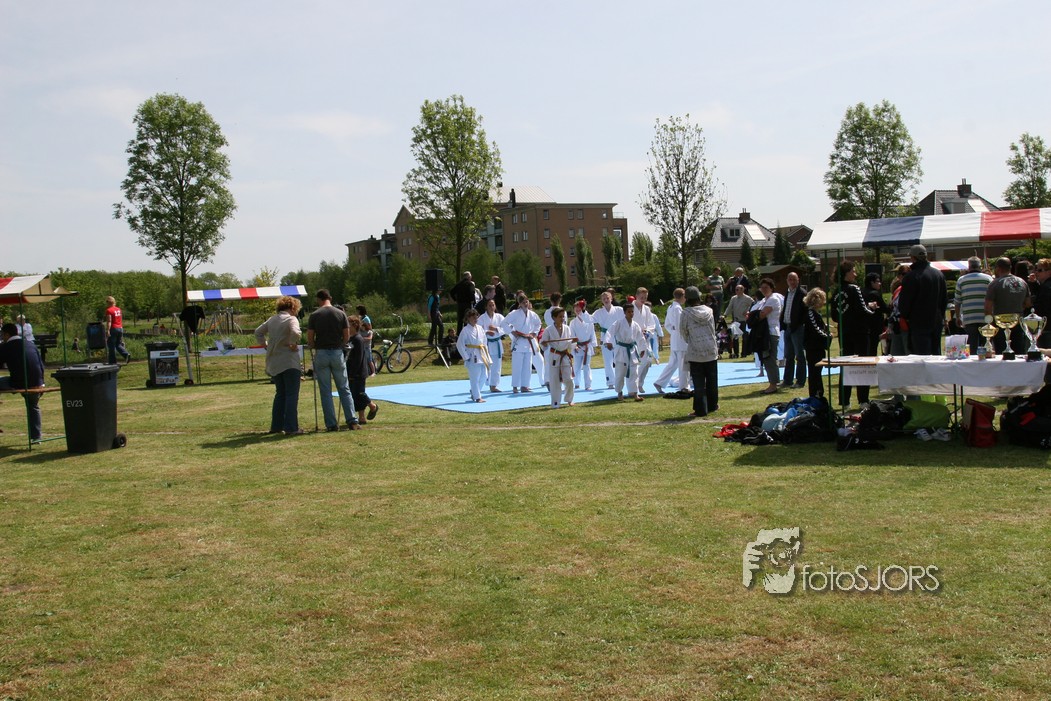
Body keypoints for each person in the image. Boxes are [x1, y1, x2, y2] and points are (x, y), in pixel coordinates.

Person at [306, 289, 360, 432]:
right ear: (330, 298)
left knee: (325, 391)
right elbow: (347, 335)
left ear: (319, 299)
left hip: (321, 353)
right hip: (337, 353)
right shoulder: (340, 313)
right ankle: (352, 421)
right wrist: (341, 344)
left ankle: (331, 424)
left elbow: (310, 337)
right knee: (344, 388)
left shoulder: (314, 315)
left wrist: (313, 345)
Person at [254, 296, 304, 435]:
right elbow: (296, 332)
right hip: (289, 361)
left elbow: (258, 332)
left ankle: (276, 426)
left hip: (275, 362)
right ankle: (291, 427)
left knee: (280, 394)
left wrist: (265, 345)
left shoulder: (272, 319)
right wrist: (293, 343)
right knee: (292, 395)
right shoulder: (291, 319)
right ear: (293, 307)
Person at [835, 261, 876, 407]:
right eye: (853, 271)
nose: (855, 274)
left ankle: (844, 400)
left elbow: (834, 315)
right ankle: (863, 399)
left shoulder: (836, 291)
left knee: (846, 364)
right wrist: (872, 309)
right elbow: (862, 310)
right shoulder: (855, 289)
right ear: (846, 273)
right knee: (862, 365)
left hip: (844, 331)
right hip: (859, 332)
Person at [897, 244, 947, 355]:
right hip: (936, 320)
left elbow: (905, 302)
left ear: (913, 257)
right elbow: (944, 300)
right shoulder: (939, 274)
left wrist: (906, 316)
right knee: (936, 354)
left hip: (918, 322)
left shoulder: (911, 276)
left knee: (921, 356)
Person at [0, 322, 45, 441]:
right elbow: (41, 365)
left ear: (6, 334)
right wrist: (42, 383)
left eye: (2, 335)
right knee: (33, 406)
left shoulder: (6, 347)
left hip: (18, 382)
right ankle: (36, 437)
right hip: (37, 382)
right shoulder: (30, 344)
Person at [679, 286, 718, 417]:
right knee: (712, 379)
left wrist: (691, 340)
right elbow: (713, 328)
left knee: (698, 381)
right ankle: (713, 405)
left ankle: (701, 409)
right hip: (711, 348)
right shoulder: (709, 310)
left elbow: (683, 331)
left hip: (695, 350)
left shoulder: (686, 313)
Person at [985, 256, 1031, 355]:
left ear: (998, 268)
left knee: (1002, 354)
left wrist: (990, 323)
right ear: (1010, 267)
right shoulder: (1022, 282)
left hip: (1000, 324)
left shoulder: (994, 284)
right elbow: (1028, 303)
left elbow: (988, 307)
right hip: (1018, 322)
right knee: (1019, 353)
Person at [604, 302, 647, 401]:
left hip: (632, 350)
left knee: (634, 372)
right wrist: (608, 342)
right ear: (624, 313)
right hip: (621, 350)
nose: (631, 313)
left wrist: (642, 348)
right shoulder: (618, 323)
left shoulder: (635, 325)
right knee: (620, 373)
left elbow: (640, 338)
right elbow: (610, 332)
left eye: (632, 312)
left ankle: (635, 393)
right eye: (629, 312)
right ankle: (619, 392)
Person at [502, 295, 541, 393]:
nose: (525, 304)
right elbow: (504, 323)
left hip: (528, 342)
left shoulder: (532, 314)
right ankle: (515, 386)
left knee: (527, 366)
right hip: (518, 341)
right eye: (523, 302)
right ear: (519, 304)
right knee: (517, 366)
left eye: (527, 302)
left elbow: (538, 323)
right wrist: (512, 331)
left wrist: (534, 333)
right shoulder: (514, 313)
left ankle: (525, 386)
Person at [954, 256, 993, 355]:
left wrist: (958, 316)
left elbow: (957, 301)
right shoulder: (988, 278)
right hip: (985, 317)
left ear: (969, 266)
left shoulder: (961, 280)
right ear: (980, 266)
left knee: (972, 346)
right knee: (986, 345)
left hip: (969, 317)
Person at [653, 288, 688, 394]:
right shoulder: (677, 308)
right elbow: (680, 325)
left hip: (675, 337)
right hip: (680, 338)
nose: (685, 299)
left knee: (673, 363)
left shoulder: (671, 307)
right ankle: (684, 386)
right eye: (685, 296)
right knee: (683, 363)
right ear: (682, 296)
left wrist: (673, 332)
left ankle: (659, 382)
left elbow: (667, 324)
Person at [346, 315, 380, 422]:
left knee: (360, 393)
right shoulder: (349, 338)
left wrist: (353, 373)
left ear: (354, 325)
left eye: (348, 323)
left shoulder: (358, 339)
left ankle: (372, 406)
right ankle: (361, 417)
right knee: (354, 395)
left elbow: (359, 358)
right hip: (350, 370)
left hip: (359, 372)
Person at [541, 306, 576, 408]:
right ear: (554, 318)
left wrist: (574, 343)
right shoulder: (548, 330)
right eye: (560, 316)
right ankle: (555, 403)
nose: (562, 318)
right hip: (554, 356)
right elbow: (543, 344)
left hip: (565, 356)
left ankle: (569, 399)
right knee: (555, 381)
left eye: (563, 316)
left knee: (569, 380)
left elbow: (569, 343)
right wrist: (544, 343)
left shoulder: (567, 328)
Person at [456, 308, 490, 402]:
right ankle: (477, 397)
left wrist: (486, 354)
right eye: (473, 318)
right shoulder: (465, 330)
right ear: (468, 318)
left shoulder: (480, 328)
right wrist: (466, 357)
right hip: (472, 356)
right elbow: (459, 344)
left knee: (484, 376)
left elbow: (484, 342)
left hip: (481, 354)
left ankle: (474, 392)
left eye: (476, 317)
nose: (475, 319)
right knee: (475, 377)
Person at [755, 278, 783, 395]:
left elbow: (761, 315)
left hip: (771, 332)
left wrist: (753, 316)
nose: (764, 289)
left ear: (771, 288)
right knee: (766, 359)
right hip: (765, 333)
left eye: (766, 287)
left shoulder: (773, 299)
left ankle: (773, 385)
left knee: (770, 359)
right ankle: (772, 383)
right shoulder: (764, 300)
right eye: (762, 288)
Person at [780, 272, 807, 389]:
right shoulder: (787, 292)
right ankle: (787, 380)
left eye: (794, 279)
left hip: (797, 328)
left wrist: (798, 324)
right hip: (787, 327)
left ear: (798, 280)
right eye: (790, 279)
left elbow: (805, 312)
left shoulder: (802, 293)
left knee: (799, 355)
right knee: (788, 355)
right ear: (787, 280)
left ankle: (800, 381)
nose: (792, 282)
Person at [803, 288, 831, 399]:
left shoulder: (814, 313)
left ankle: (817, 393)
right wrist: (828, 335)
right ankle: (816, 394)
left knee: (816, 372)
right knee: (815, 372)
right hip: (814, 347)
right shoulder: (811, 313)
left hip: (815, 347)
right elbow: (816, 330)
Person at [591, 291, 623, 389]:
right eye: (604, 299)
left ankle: (619, 379)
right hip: (605, 337)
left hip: (617, 336)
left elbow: (626, 319)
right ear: (601, 300)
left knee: (619, 360)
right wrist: (583, 311)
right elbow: (589, 319)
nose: (606, 300)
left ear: (611, 299)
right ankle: (610, 382)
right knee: (608, 360)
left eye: (607, 298)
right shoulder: (598, 312)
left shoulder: (619, 310)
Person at [478, 298, 506, 393]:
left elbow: (506, 328)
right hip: (487, 344)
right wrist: (486, 332)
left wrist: (496, 329)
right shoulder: (482, 318)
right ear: (486, 307)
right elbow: (478, 330)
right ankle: (479, 385)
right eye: (489, 305)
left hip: (497, 343)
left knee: (497, 366)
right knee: (486, 366)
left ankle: (494, 385)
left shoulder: (499, 317)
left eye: (493, 305)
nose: (491, 307)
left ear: (495, 306)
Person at [632, 288, 656, 392]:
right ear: (636, 296)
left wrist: (647, 331)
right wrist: (638, 331)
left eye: (645, 298)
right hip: (634, 339)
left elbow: (651, 324)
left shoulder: (646, 309)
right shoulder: (630, 307)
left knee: (648, 361)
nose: (643, 299)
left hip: (645, 338)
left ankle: (640, 383)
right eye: (641, 297)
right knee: (637, 363)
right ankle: (634, 384)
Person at [862, 272, 890, 358]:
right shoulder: (874, 293)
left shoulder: (861, 292)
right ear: (872, 282)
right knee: (873, 349)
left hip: (864, 326)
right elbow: (885, 308)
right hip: (875, 325)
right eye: (878, 281)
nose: (880, 283)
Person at [570, 300, 596, 391]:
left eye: (579, 309)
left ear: (583, 309)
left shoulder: (589, 321)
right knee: (577, 366)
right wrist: (575, 345)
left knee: (586, 366)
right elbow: (572, 335)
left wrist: (593, 344)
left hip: (587, 346)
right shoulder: (573, 322)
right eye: (576, 310)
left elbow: (592, 333)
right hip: (578, 346)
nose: (578, 311)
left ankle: (588, 385)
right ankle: (576, 383)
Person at [886, 264, 910, 356]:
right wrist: (890, 325)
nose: (904, 276)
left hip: (907, 327)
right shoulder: (898, 289)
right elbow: (892, 308)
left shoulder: (911, 288)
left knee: (908, 355)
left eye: (907, 274)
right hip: (896, 327)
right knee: (895, 355)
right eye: (902, 274)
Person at [725, 284, 754, 358]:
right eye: (735, 289)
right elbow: (729, 307)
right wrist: (725, 315)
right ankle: (736, 353)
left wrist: (748, 311)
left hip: (744, 320)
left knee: (745, 338)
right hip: (736, 320)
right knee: (735, 338)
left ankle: (744, 353)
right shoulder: (733, 298)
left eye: (738, 289)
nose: (736, 291)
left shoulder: (747, 298)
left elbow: (754, 305)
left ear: (742, 290)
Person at [103, 296, 131, 364]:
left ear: (108, 302)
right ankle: (126, 354)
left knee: (111, 345)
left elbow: (109, 321)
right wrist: (121, 328)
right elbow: (120, 320)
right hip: (120, 328)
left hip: (113, 329)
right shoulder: (118, 309)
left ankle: (112, 362)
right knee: (118, 344)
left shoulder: (109, 310)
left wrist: (108, 330)